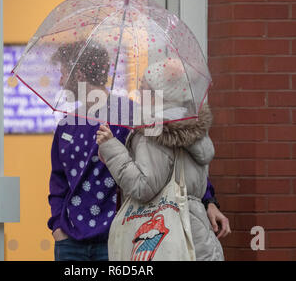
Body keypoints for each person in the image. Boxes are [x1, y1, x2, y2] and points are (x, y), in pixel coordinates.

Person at [47, 41, 229, 261]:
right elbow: (58, 182)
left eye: (63, 73)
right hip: (70, 243)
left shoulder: (134, 116)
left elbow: (178, 157)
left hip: (119, 235)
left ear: (79, 74)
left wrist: (209, 201)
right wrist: (58, 227)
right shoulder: (66, 125)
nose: (59, 80)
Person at [97, 59, 226, 260]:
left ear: (160, 94)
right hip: (197, 234)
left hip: (165, 238)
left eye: (144, 88)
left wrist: (112, 149)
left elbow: (143, 187)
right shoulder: (193, 129)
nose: (138, 93)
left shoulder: (154, 131)